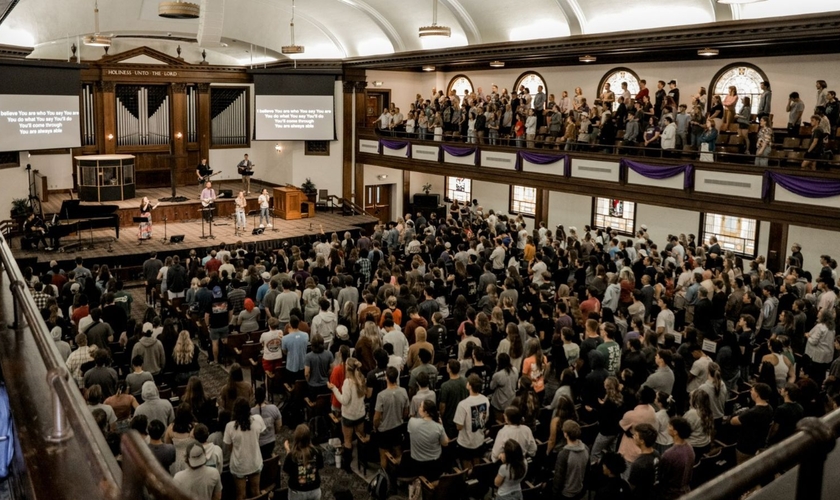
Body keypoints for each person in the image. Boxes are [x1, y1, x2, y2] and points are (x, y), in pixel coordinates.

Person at [328, 357, 367, 471]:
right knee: (361, 438)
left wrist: (334, 388)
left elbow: (344, 401)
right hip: (360, 414)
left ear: (348, 369)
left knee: (348, 441)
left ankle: (347, 466)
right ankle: (363, 462)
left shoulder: (348, 383)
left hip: (349, 416)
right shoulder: (362, 379)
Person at [223, 398, 266, 500]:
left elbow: (230, 447)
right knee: (256, 492)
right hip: (254, 461)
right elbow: (261, 433)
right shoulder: (258, 419)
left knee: (240, 495)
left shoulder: (230, 427)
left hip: (239, 464)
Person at [729, 382, 774, 465]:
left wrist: (738, 412)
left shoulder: (752, 413)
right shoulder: (769, 408)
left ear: (757, 394)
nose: (750, 391)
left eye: (752, 390)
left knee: (742, 467)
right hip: (759, 444)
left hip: (745, 447)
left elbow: (733, 421)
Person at [373, 366, 409, 469]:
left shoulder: (381, 396)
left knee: (383, 455)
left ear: (386, 378)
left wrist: (376, 427)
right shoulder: (403, 391)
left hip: (384, 431)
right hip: (398, 427)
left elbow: (377, 417)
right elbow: (405, 412)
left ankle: (384, 478)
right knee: (398, 452)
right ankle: (398, 473)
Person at [454, 374, 490, 469]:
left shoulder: (463, 404)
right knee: (477, 465)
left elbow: (459, 427)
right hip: (479, 439)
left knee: (467, 468)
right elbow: (485, 419)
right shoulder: (485, 400)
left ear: (469, 385)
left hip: (466, 443)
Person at [283, 424, 324, 500]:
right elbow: (320, 466)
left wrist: (288, 451)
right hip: (314, 490)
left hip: (297, 492)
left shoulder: (291, 455)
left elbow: (286, 470)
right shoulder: (317, 452)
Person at [658, 417, 695, 500]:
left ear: (675, 432)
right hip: (686, 490)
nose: (667, 426)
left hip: (671, 494)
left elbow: (662, 477)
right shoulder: (690, 447)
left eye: (670, 426)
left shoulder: (669, 454)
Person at [552, 420, 589, 500]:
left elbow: (558, 479)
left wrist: (555, 495)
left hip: (567, 493)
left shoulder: (564, 454)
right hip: (580, 489)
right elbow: (587, 471)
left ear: (565, 434)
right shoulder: (586, 448)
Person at [627, 423, 659, 500]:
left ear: (642, 441)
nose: (633, 436)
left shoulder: (638, 464)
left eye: (636, 435)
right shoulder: (656, 453)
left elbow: (632, 486)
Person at [251, 386, 282, 459]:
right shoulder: (274, 408)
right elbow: (279, 426)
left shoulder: (251, 412)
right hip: (271, 442)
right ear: (265, 396)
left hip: (257, 443)